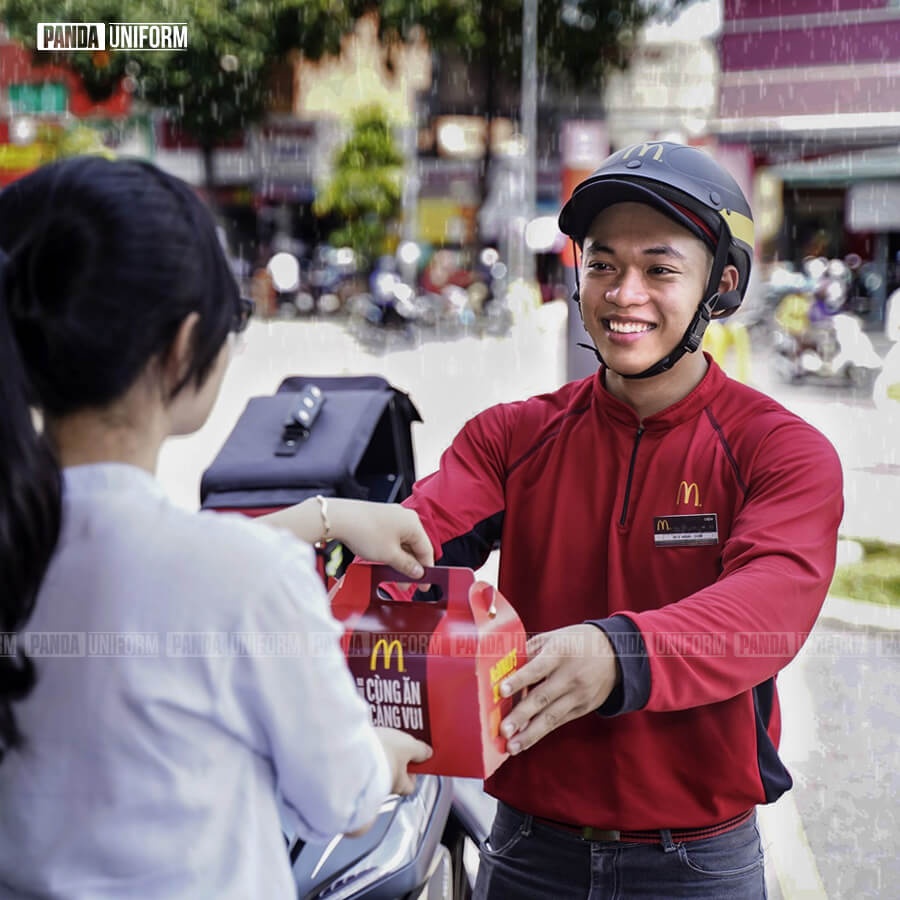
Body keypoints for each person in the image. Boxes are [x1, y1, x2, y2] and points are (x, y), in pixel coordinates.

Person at [402, 142, 843, 898]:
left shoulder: (780, 451)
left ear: (721, 284)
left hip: (697, 863)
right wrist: (333, 534)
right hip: (527, 848)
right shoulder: (513, 436)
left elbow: (769, 610)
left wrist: (620, 654)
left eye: (659, 270)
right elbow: (414, 547)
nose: (622, 293)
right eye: (602, 264)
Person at [0, 156, 435, 898]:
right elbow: (342, 795)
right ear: (183, 346)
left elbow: (151, 567)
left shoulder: (24, 543)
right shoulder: (246, 581)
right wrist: (383, 755)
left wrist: (323, 518)